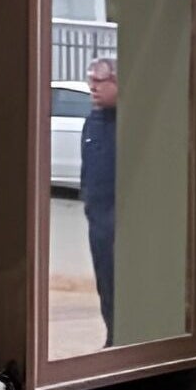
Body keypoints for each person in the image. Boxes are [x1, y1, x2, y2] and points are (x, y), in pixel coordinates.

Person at [80, 57, 118, 343]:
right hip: (99, 223)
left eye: (100, 81)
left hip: (123, 221)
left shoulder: (129, 124)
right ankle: (112, 336)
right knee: (105, 284)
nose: (93, 87)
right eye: (90, 80)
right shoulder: (91, 124)